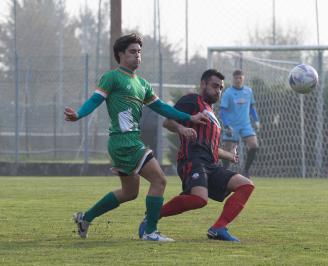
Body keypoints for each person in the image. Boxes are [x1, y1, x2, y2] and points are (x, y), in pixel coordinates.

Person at [64, 33, 208, 242]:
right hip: (125, 142)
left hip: (128, 142)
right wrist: (78, 114)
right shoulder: (112, 77)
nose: (137, 56)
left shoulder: (142, 84)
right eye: (132, 52)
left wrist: (190, 117)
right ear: (120, 54)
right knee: (159, 180)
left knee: (130, 193)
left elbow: (161, 107)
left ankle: (85, 218)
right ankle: (150, 232)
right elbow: (95, 100)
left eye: (139, 52)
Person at [138, 69, 255, 242]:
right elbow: (168, 121)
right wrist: (182, 128)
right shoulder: (192, 100)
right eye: (215, 86)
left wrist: (229, 155)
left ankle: (218, 228)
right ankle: (152, 217)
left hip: (212, 164)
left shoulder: (211, 113)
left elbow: (210, 147)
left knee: (246, 185)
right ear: (203, 84)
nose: (218, 91)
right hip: (192, 160)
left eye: (221, 88)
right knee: (200, 199)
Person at [220, 70, 261, 178]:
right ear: (233, 79)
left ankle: (246, 171)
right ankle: (224, 173)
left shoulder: (248, 91)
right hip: (232, 126)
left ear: (243, 79)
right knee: (227, 152)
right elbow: (222, 110)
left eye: (240, 78)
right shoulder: (228, 93)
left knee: (254, 145)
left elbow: (252, 107)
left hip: (245, 125)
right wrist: (226, 125)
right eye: (236, 78)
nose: (238, 80)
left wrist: (256, 120)